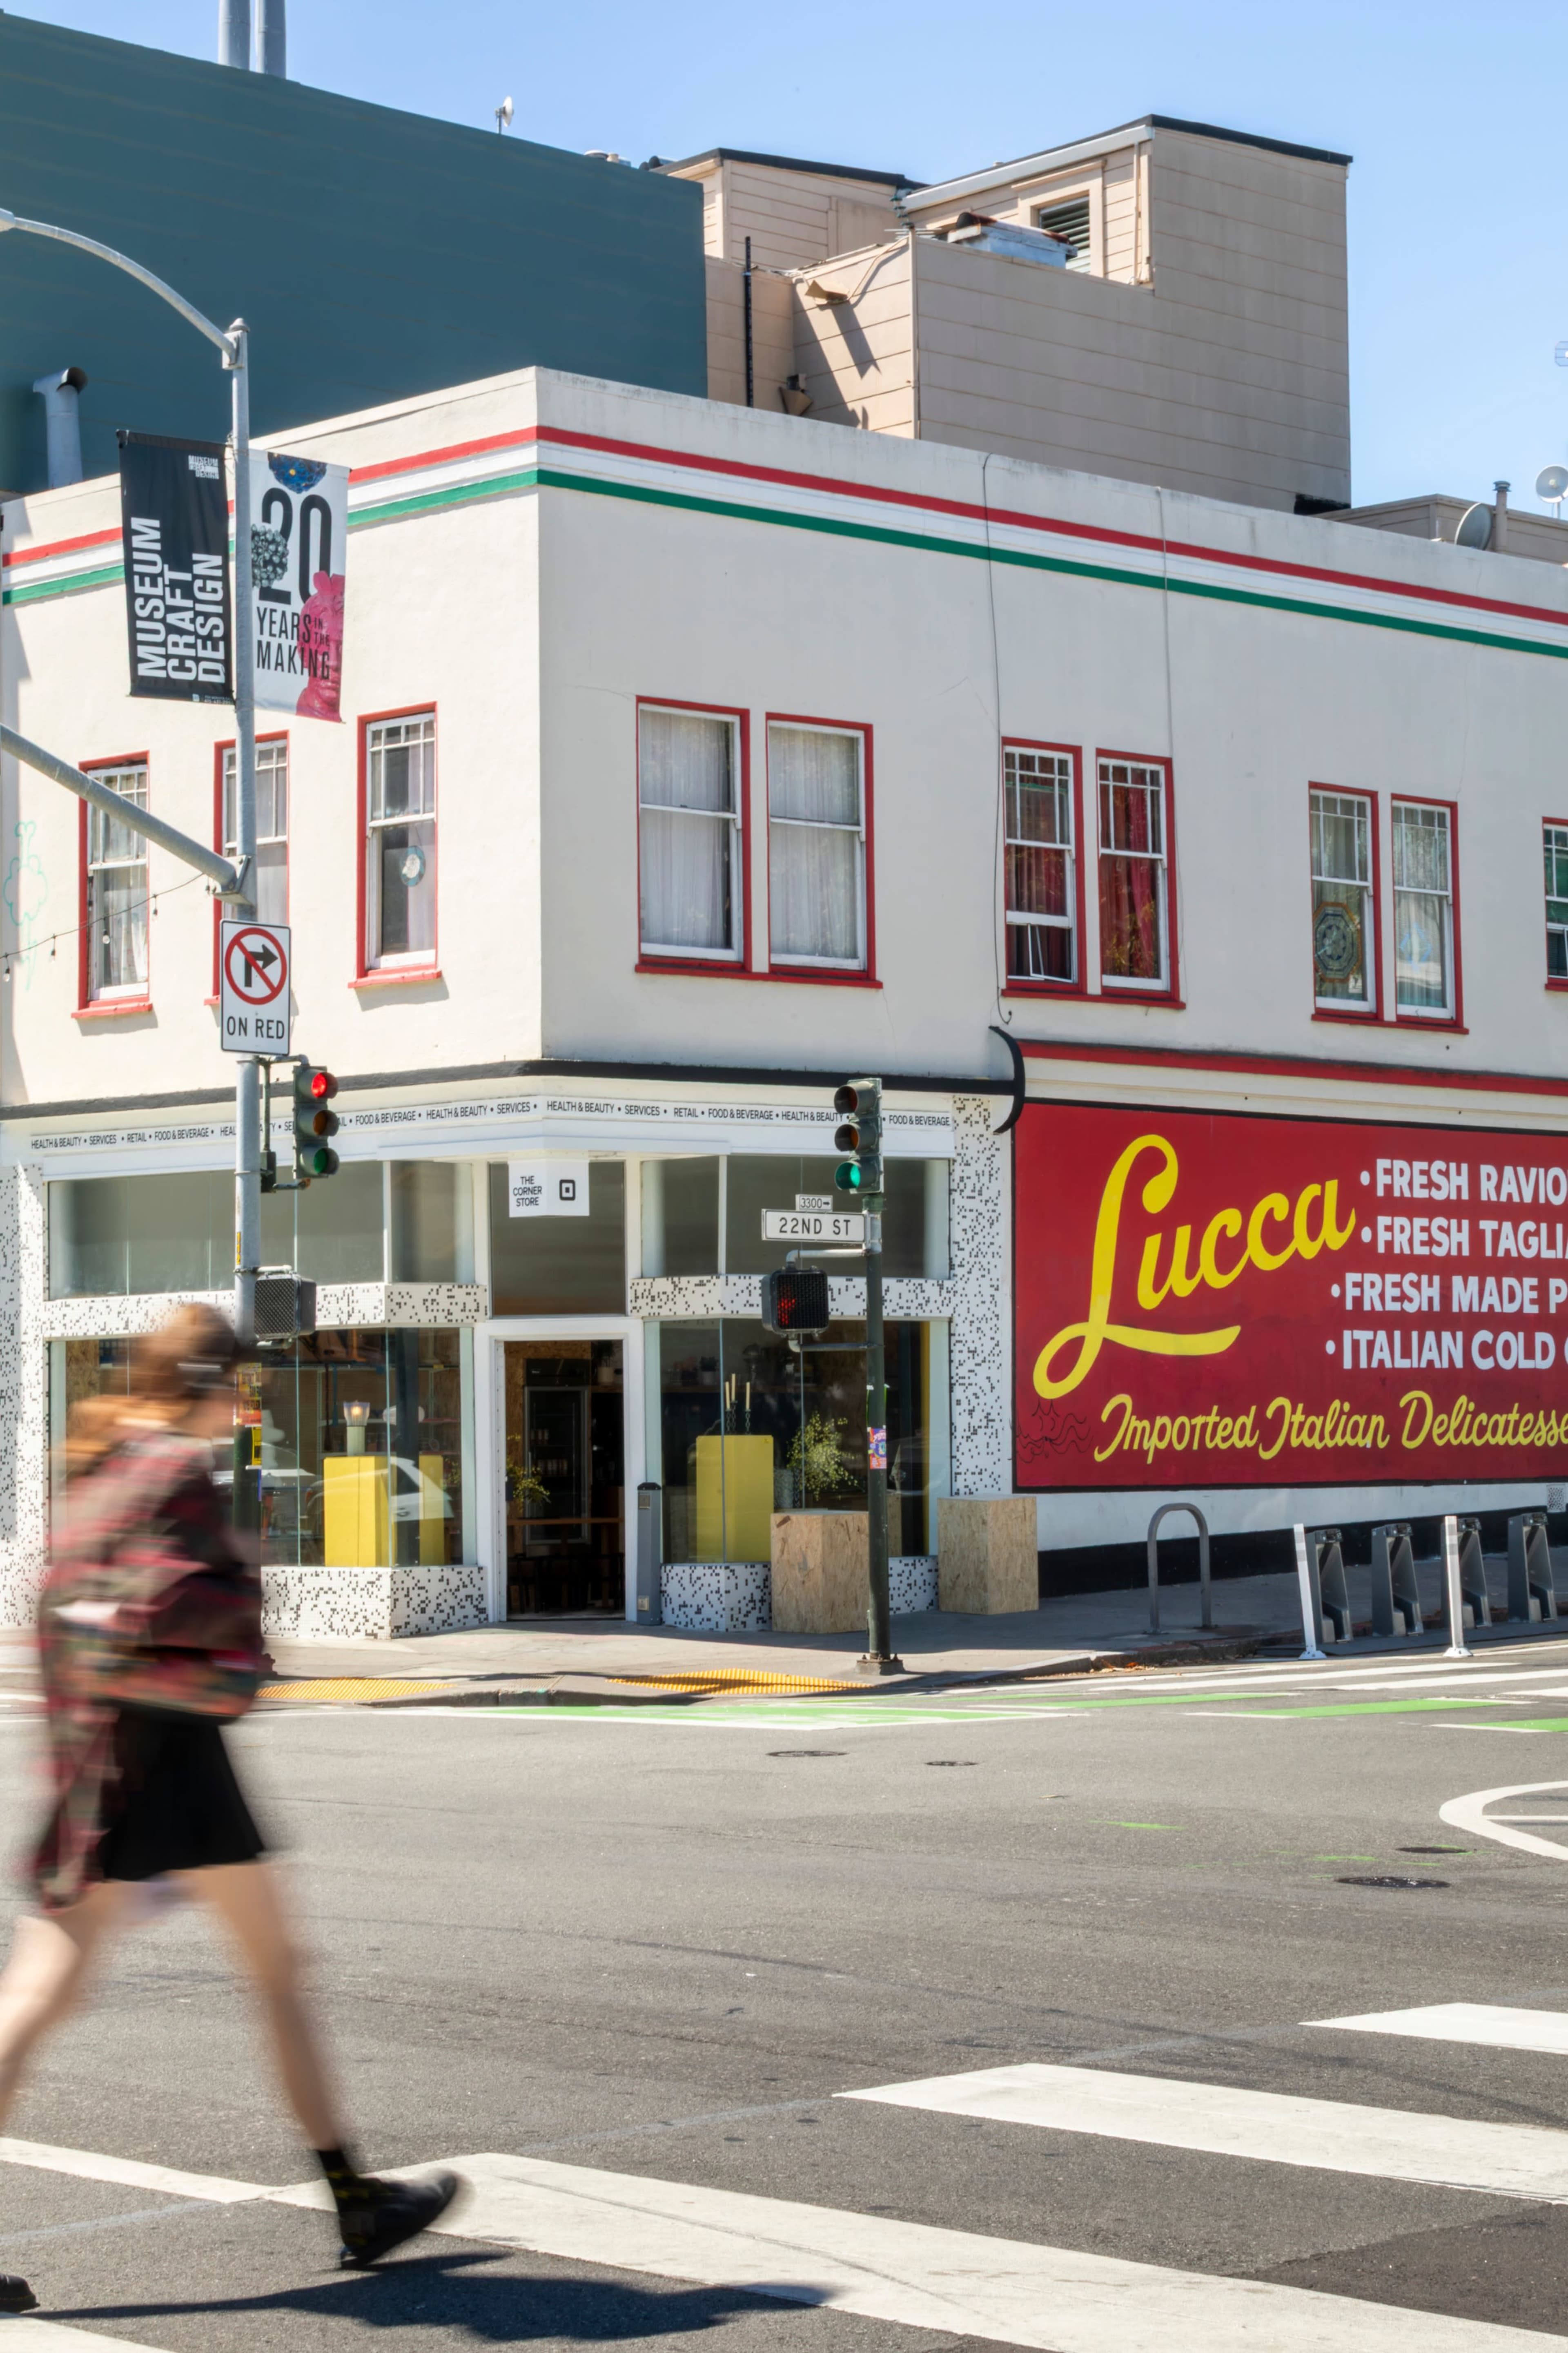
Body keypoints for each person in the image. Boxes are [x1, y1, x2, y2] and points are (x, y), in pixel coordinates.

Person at [0, 1305, 458, 2316]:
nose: (244, 1405)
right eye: (239, 1387)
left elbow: (64, 1621)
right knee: (280, 1975)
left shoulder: (100, 1467)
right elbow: (180, 1617)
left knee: (39, 1995)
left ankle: (355, 2197)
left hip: (101, 1764)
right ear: (208, 1385)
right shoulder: (172, 1471)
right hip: (174, 1761)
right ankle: (354, 2199)